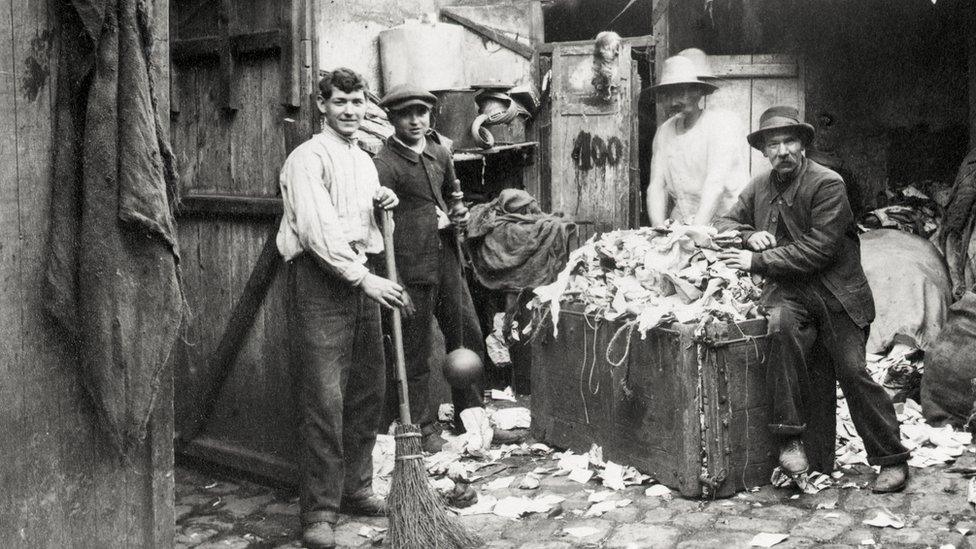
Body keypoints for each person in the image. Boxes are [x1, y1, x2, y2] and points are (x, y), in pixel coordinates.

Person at [716, 105, 910, 493]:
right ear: (764, 151)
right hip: (793, 294)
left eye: (790, 141)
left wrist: (757, 259)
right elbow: (723, 223)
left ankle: (892, 459)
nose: (783, 150)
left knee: (851, 373)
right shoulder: (758, 187)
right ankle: (793, 443)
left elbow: (818, 250)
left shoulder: (828, 184)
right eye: (774, 143)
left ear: (803, 145)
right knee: (781, 331)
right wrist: (747, 235)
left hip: (837, 296)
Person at [276, 67, 403, 549]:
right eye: (340, 103)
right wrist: (364, 277)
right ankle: (320, 511)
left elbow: (361, 224)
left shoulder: (365, 160)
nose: (350, 111)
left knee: (366, 391)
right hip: (321, 280)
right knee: (324, 399)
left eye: (357, 103)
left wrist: (381, 203)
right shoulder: (306, 159)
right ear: (322, 106)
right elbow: (317, 233)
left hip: (361, 277)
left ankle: (357, 489)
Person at [373, 84, 520, 453]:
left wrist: (457, 213)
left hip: (446, 259)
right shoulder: (383, 164)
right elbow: (380, 222)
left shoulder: (439, 152)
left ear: (430, 116)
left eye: (421, 113)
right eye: (406, 114)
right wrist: (431, 222)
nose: (415, 120)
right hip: (409, 266)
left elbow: (452, 196)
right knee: (415, 346)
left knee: (468, 335)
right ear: (392, 119)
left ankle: (471, 417)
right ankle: (421, 429)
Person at [646, 54, 749, 226]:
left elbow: (715, 184)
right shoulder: (664, 131)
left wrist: (696, 232)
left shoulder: (721, 124)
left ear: (698, 92)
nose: (673, 101)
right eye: (668, 94)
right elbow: (657, 186)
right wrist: (658, 229)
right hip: (684, 220)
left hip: (726, 220)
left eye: (680, 92)